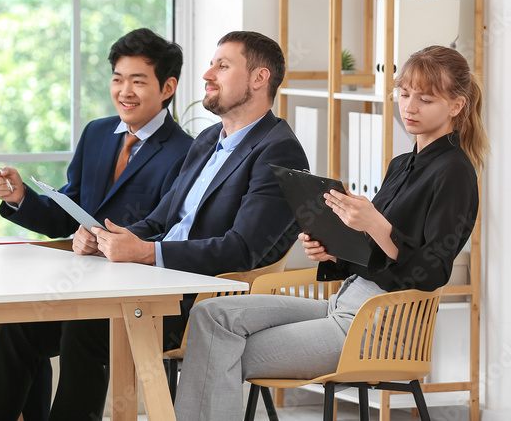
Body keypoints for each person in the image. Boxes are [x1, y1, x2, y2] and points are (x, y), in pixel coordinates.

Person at [173, 45, 487, 420]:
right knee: (212, 315)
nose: (410, 108)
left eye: (426, 99)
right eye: (404, 95)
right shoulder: (403, 163)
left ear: (456, 106)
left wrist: (375, 223)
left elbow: (433, 272)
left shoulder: (454, 172)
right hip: (343, 307)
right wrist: (336, 250)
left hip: (382, 327)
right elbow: (379, 256)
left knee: (217, 349)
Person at [30, 30, 309, 421]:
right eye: (212, 63)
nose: (208, 74)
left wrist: (146, 253)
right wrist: (107, 237)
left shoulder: (279, 150)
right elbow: (161, 220)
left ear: (259, 78)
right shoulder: (211, 138)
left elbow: (241, 249)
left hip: (196, 305)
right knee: (22, 322)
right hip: (151, 284)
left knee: (86, 327)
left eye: (223, 66)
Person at [0, 28, 195, 421]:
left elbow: (172, 232)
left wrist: (105, 242)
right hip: (83, 288)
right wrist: (20, 200)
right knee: (19, 323)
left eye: (138, 81)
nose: (124, 91)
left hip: (143, 298)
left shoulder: (185, 153)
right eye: (118, 79)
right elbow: (70, 211)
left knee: (83, 332)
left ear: (167, 87)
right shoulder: (98, 133)